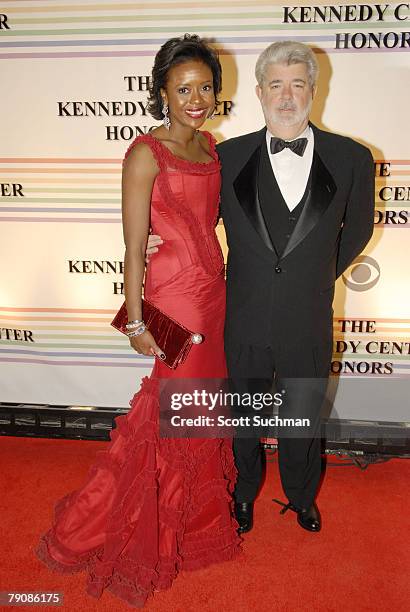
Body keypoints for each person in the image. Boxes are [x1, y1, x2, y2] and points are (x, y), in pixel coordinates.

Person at [35, 34, 241, 609]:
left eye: (205, 88)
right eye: (184, 89)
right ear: (162, 93)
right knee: (166, 412)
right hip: (174, 295)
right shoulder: (146, 152)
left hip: (214, 295)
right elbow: (131, 246)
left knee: (198, 411)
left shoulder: (209, 146)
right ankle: (127, 526)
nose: (196, 99)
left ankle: (191, 526)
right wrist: (134, 320)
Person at [148, 41, 375, 534]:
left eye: (297, 84)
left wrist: (313, 277)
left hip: (307, 315)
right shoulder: (224, 157)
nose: (287, 95)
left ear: (314, 90)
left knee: (302, 416)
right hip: (243, 313)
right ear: (258, 91)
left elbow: (356, 230)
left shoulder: (353, 157)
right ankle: (244, 493)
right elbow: (195, 224)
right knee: (243, 418)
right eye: (276, 84)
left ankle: (300, 496)